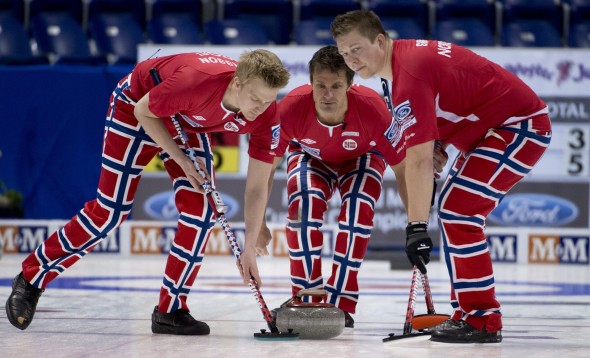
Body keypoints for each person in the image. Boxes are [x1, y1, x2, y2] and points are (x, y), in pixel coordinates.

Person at [5, 50, 290, 335]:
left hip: (186, 119)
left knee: (203, 210)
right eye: (256, 99)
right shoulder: (196, 81)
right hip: (137, 106)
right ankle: (31, 277)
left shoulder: (266, 114)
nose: (261, 108)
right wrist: (181, 159)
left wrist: (250, 244)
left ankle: (171, 310)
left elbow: (256, 187)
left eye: (269, 100)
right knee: (111, 211)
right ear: (237, 84)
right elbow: (144, 110)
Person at [331, 10, 552, 343]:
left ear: (379, 40)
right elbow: (452, 102)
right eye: (344, 54)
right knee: (455, 210)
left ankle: (482, 319)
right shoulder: (399, 68)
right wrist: (439, 143)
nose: (351, 60)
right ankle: (468, 312)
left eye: (356, 49)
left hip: (519, 127)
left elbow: (419, 162)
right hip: (489, 130)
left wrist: (417, 227)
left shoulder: (409, 73)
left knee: (459, 210)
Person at [255, 45, 445, 328]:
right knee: (303, 209)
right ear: (310, 83)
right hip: (310, 156)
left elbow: (404, 170)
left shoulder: (373, 109)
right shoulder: (290, 108)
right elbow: (265, 169)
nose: (327, 94)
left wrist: (416, 226)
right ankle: (307, 298)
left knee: (358, 210)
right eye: (320, 85)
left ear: (349, 85)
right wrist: (258, 222)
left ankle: (341, 303)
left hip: (363, 157)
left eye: (336, 85)